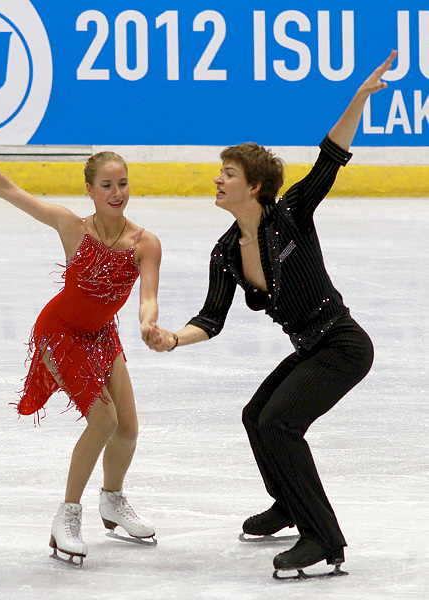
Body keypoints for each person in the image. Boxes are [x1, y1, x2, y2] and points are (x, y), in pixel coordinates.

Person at [145, 50, 397, 575]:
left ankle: (322, 537)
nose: (217, 180)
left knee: (280, 422)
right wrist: (172, 339)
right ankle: (288, 502)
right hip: (311, 347)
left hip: (343, 345)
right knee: (256, 416)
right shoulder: (226, 251)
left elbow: (331, 155)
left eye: (228, 173)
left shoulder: (292, 215)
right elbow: (211, 319)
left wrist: (357, 98)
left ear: (254, 186)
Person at [0, 137, 162, 565]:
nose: (117, 193)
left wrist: (147, 320)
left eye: (122, 183)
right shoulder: (72, 227)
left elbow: (147, 297)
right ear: (89, 190)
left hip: (103, 335)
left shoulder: (144, 243)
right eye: (106, 185)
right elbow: (9, 190)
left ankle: (112, 500)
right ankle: (66, 515)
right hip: (61, 331)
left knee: (129, 428)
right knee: (104, 419)